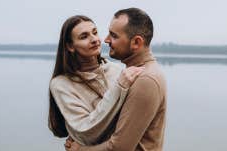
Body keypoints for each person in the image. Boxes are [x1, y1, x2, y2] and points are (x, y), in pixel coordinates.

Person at [66, 8, 167, 151]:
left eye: (113, 35)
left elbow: (120, 148)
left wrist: (80, 150)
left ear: (136, 43)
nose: (106, 40)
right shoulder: (134, 75)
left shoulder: (146, 80)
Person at [48, 15, 144, 146]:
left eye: (95, 32)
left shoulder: (117, 70)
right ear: (70, 46)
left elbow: (129, 121)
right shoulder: (61, 84)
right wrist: (119, 87)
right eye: (84, 36)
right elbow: (86, 132)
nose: (94, 39)